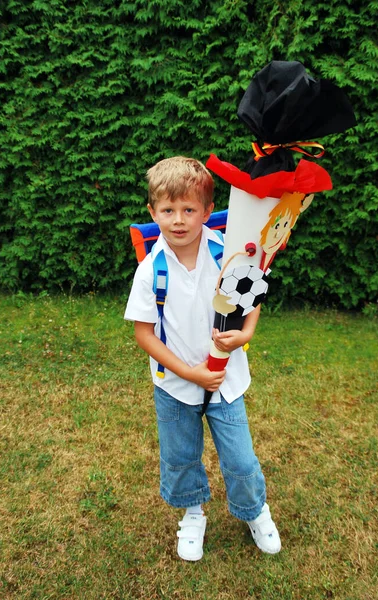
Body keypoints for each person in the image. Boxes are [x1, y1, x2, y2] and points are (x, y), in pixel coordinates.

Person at [124, 156, 281, 561]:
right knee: (180, 458)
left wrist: (246, 332)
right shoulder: (150, 270)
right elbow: (144, 335)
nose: (178, 220)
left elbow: (251, 293)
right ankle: (192, 513)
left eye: (189, 209)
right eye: (168, 210)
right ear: (152, 212)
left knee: (241, 459)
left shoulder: (226, 254)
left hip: (226, 383)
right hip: (175, 386)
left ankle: (254, 510)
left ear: (208, 212)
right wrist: (190, 372)